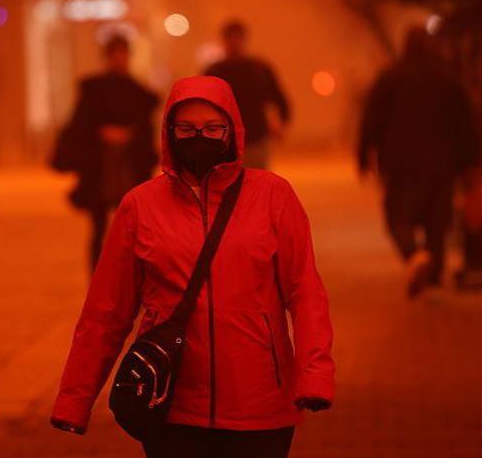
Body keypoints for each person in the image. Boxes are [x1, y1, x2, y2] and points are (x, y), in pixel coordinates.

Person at [51, 76, 334, 458]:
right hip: (170, 407)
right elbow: (106, 312)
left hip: (261, 407)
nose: (199, 137)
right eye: (186, 129)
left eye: (212, 128)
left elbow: (305, 292)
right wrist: (75, 399)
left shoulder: (273, 196)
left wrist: (314, 375)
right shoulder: (140, 206)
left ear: (232, 130)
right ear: (169, 134)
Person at [357, 26, 479, 298]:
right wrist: (470, 160)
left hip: (401, 163)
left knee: (398, 216)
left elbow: (371, 119)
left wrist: (364, 155)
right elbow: (465, 123)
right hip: (442, 162)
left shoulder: (390, 78)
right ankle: (433, 272)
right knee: (438, 219)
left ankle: (414, 256)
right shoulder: (448, 79)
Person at [51, 34, 160, 270]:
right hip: (99, 168)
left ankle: (131, 278)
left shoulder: (139, 93)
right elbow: (80, 125)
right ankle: (97, 277)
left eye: (123, 54)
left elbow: (145, 130)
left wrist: (129, 135)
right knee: (99, 227)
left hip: (130, 167)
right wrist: (103, 134)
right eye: (115, 54)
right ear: (108, 57)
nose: (119, 59)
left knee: (133, 226)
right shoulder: (94, 91)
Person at [204, 20, 290, 169]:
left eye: (237, 38)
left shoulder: (259, 69)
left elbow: (279, 99)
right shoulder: (214, 71)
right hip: (225, 142)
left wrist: (282, 123)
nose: (234, 42)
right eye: (230, 38)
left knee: (256, 185)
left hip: (256, 138)